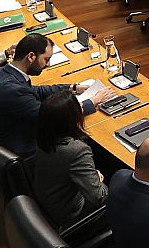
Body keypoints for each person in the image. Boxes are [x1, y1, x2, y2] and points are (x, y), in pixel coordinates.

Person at [0, 34, 107, 158]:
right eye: (46, 59)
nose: (48, 64)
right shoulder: (14, 90)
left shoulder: (2, 72)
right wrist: (91, 102)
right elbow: (54, 118)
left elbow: (35, 91)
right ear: (31, 57)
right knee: (80, 144)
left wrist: (71, 88)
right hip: (22, 151)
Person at [29, 89, 109, 229]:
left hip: (50, 206)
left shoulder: (42, 139)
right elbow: (98, 198)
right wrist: (98, 179)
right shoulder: (76, 150)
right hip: (74, 217)